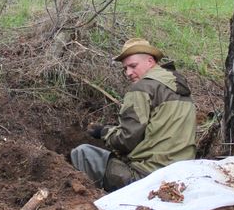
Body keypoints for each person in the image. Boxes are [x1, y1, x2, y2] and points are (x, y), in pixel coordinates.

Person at [70, 38, 197, 192]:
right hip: (183, 175)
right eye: (125, 68)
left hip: (149, 178)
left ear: (150, 61)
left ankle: (91, 198)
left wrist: (103, 132)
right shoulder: (181, 89)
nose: (128, 73)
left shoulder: (142, 88)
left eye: (133, 66)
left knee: (83, 153)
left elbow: (127, 140)